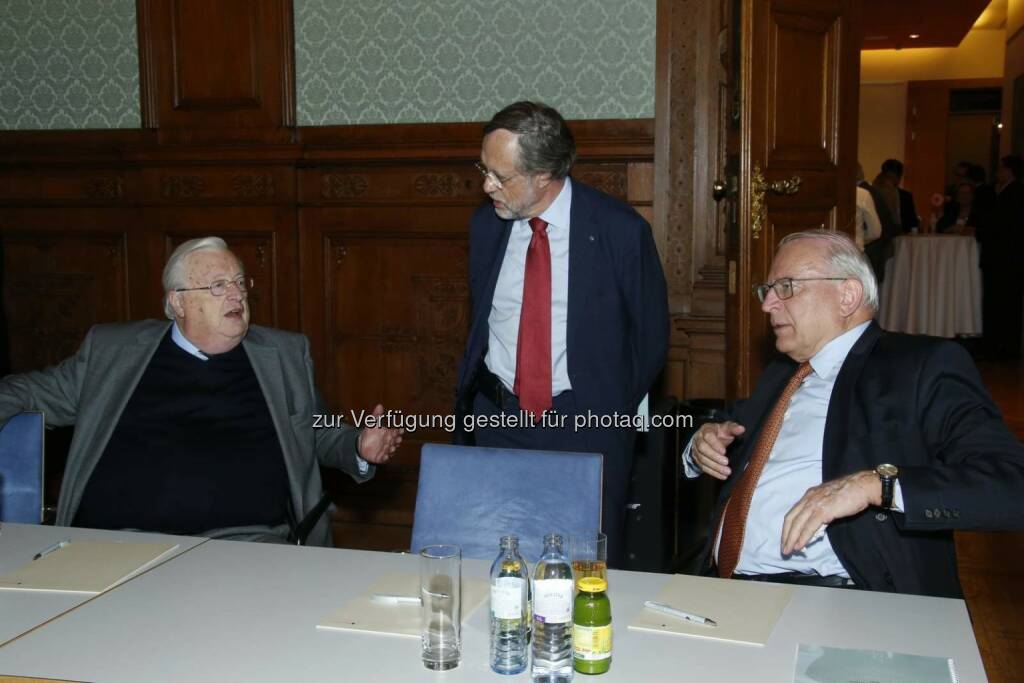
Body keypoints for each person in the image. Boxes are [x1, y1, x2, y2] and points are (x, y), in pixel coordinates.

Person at [683, 230, 1024, 597]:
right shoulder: (781, 374)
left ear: (847, 295)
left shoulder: (919, 366)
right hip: (722, 590)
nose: (768, 305)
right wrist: (701, 444)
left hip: (840, 598)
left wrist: (877, 485)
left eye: (786, 287)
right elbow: (731, 433)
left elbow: (1010, 485)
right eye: (767, 291)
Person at [0, 237, 402, 546]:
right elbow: (28, 392)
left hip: (245, 545)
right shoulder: (113, 351)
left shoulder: (282, 355)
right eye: (217, 286)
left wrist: (358, 447)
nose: (237, 294)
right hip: (114, 544)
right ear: (177, 302)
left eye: (241, 283)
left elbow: (317, 431)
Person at [453, 101, 669, 565]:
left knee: (578, 567)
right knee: (490, 559)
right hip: (497, 419)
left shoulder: (620, 231)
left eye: (501, 176)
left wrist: (603, 405)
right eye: (483, 169)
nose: (486, 185)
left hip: (583, 425)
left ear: (544, 175)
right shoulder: (486, 225)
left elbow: (650, 340)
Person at [977, 155, 1024, 359]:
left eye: (1000, 169)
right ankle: (1002, 346)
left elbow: (1002, 226)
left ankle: (1000, 347)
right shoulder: (1007, 192)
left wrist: (980, 229)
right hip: (1007, 258)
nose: (997, 173)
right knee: (1004, 302)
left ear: (1009, 171)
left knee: (1002, 302)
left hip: (1004, 258)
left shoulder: (1013, 193)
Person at [880, 158, 919, 233]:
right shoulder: (906, 196)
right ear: (899, 177)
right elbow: (913, 223)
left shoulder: (873, 193)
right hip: (901, 238)